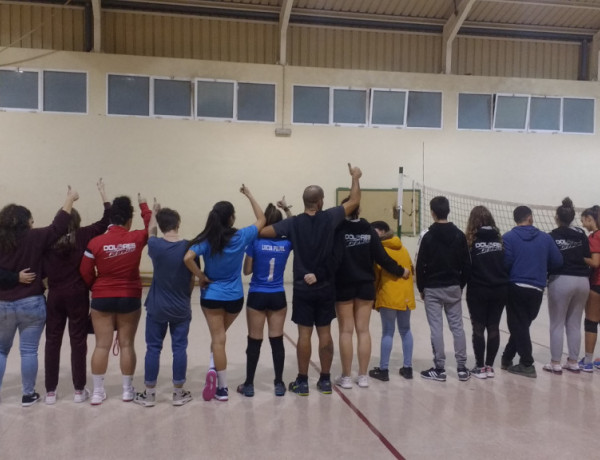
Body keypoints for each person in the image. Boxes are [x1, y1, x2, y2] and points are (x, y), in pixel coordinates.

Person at [259, 163, 362, 396]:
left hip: (302, 288)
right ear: (321, 201)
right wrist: (355, 177)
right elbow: (354, 202)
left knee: (303, 334)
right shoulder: (329, 218)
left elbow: (263, 232)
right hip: (325, 286)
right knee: (324, 332)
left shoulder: (293, 224)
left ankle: (302, 381)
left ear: (305, 201)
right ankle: (325, 380)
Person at [184, 185, 265, 402]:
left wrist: (201, 276)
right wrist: (249, 194)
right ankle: (213, 368)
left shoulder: (206, 240)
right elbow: (262, 219)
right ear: (230, 218)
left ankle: (221, 388)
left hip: (211, 296)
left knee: (217, 339)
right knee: (220, 337)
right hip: (234, 298)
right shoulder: (240, 237)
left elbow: (187, 258)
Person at [0, 186, 79, 406]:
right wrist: (70, 199)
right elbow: (58, 226)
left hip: (3, 304)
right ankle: (28, 395)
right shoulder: (35, 237)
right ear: (25, 221)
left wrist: (13, 278)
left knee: (1, 351)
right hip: (31, 302)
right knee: (28, 351)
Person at [43, 178, 110, 404]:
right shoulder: (83, 235)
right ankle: (79, 391)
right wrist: (103, 193)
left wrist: (68, 199)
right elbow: (107, 221)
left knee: (52, 340)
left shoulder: (48, 238)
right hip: (77, 295)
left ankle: (50, 392)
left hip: (54, 295)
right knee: (78, 340)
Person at [80, 194, 151, 405]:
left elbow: (85, 271)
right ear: (129, 220)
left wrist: (96, 285)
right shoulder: (137, 238)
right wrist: (144, 206)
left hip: (102, 298)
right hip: (130, 298)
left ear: (110, 219)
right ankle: (128, 391)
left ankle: (97, 392)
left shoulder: (95, 242)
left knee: (102, 345)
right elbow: (152, 227)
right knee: (127, 344)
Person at [333, 206, 409, 389]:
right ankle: (363, 376)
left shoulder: (339, 230)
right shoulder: (369, 230)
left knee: (346, 331)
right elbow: (382, 257)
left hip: (344, 285)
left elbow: (333, 259)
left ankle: (346, 377)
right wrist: (401, 270)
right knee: (363, 330)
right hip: (365, 286)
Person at [134, 201, 194, 407]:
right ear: (178, 223)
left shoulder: (155, 246)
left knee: (153, 348)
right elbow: (192, 279)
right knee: (179, 348)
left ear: (161, 226)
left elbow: (150, 231)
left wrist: (154, 212)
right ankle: (178, 393)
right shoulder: (189, 246)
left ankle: (149, 394)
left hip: (157, 306)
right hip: (180, 306)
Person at [237, 201, 292, 397]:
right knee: (277, 340)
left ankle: (249, 384)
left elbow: (247, 271)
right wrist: (287, 209)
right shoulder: (287, 242)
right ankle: (278, 383)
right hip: (277, 295)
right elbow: (294, 225)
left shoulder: (255, 241)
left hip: (257, 295)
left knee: (254, 341)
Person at [500, 205, 563, 378]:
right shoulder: (545, 238)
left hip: (516, 287)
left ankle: (527, 363)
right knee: (521, 326)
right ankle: (507, 358)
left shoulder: (508, 237)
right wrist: (541, 268)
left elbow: (505, 263)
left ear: (516, 219)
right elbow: (558, 261)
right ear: (530, 218)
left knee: (518, 325)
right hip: (537, 289)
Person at [416, 196, 471, 382]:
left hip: (432, 288)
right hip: (453, 287)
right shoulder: (459, 235)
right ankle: (462, 368)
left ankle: (440, 369)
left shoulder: (428, 236)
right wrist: (460, 285)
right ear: (448, 210)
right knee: (457, 327)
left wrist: (421, 287)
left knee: (436, 328)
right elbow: (467, 265)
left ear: (432, 212)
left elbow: (420, 264)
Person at [544, 198, 590, 375]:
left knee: (557, 323)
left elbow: (549, 259)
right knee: (574, 323)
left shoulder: (552, 235)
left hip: (561, 279)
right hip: (582, 281)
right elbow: (586, 256)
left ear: (557, 217)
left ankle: (555, 363)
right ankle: (573, 362)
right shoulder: (581, 234)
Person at [368, 221, 416, 381]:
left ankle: (384, 369)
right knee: (405, 330)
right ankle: (408, 368)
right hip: (405, 296)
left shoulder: (380, 250)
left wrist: (373, 296)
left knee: (388, 332)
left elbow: (376, 276)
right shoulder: (403, 248)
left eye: (375, 232)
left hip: (388, 295)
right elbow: (411, 270)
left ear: (382, 231)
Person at [464, 206, 508, 379]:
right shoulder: (501, 241)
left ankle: (480, 366)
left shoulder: (470, 242)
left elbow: (466, 267)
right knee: (494, 326)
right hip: (500, 289)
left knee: (478, 327)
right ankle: (490, 366)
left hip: (478, 289)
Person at [579, 206, 600, 372]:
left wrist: (579, 257)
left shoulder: (595, 237)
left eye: (583, 219)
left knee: (591, 322)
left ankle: (587, 361)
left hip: (597, 284)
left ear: (590, 219)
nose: (582, 223)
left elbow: (595, 262)